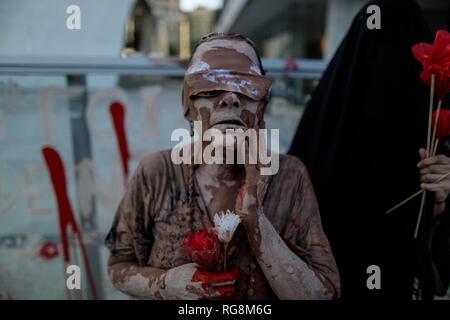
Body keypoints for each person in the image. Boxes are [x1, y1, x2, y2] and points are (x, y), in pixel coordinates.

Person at [105, 33, 340, 300]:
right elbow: (118, 265)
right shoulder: (155, 172)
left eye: (246, 86)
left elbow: (323, 294)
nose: (230, 99)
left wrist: (257, 223)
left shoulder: (289, 176)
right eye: (210, 87)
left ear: (262, 107)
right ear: (188, 105)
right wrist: (165, 284)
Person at [289, 0, 450, 299]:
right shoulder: (322, 131)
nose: (386, 69)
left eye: (399, 54)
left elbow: (439, 277)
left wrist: (441, 206)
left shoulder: (438, 143)